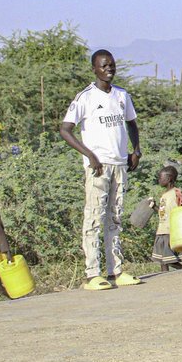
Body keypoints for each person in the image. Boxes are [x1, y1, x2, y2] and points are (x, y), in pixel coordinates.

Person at [60, 50, 143, 291]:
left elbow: (131, 123)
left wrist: (136, 150)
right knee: (94, 217)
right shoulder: (85, 97)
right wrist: (89, 155)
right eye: (104, 65)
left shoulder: (121, 95)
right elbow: (65, 129)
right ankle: (92, 273)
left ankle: (116, 270)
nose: (109, 69)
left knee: (115, 218)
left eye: (112, 65)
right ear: (95, 69)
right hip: (98, 167)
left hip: (119, 164)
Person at [150, 166, 182, 272]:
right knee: (162, 259)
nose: (159, 180)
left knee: (169, 259)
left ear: (169, 178)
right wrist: (154, 207)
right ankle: (165, 278)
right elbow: (163, 212)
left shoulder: (176, 192)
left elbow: (181, 207)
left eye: (160, 177)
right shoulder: (164, 195)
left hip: (170, 229)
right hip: (161, 229)